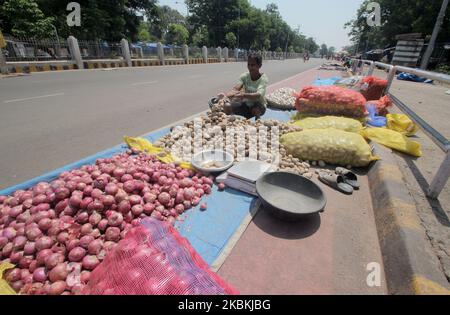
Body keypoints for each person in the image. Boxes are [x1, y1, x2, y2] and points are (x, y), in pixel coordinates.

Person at [219, 53, 269, 120]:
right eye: (248, 65)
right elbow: (236, 89)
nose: (250, 67)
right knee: (227, 106)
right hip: (247, 104)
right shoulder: (244, 76)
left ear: (259, 65)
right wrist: (226, 96)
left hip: (259, 105)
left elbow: (258, 95)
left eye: (253, 65)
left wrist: (243, 95)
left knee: (256, 110)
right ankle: (232, 121)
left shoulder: (263, 79)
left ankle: (258, 123)